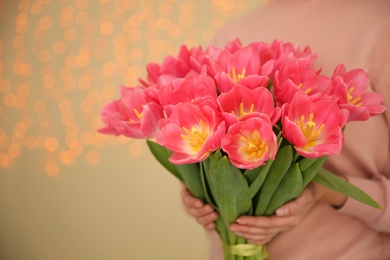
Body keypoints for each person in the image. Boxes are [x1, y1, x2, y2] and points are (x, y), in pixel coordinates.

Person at [180, 0, 390, 259]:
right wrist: (200, 192)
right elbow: (216, 156)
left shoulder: (382, 25)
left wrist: (327, 192)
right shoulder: (230, 35)